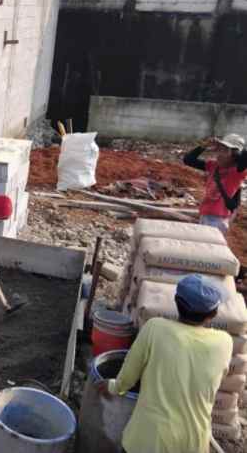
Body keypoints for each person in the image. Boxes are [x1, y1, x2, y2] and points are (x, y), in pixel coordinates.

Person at [98, 274, 233, 453]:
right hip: (193, 444)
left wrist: (108, 386)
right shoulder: (224, 342)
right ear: (213, 313)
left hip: (148, 442)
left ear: (176, 301)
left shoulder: (155, 328)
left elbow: (126, 382)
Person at [183, 134, 247, 234]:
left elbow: (244, 158)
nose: (219, 154)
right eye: (219, 150)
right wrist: (204, 146)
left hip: (218, 220)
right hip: (205, 213)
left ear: (235, 155)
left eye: (224, 151)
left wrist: (236, 151)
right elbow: (188, 160)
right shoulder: (213, 166)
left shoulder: (237, 172)